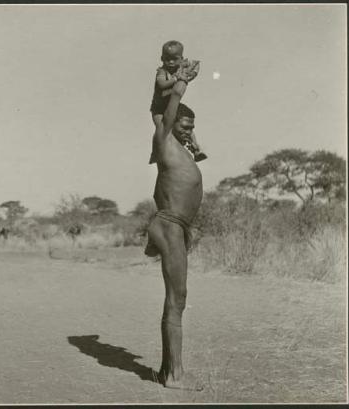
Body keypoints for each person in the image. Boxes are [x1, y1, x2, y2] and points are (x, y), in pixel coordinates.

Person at [145, 77, 204, 389]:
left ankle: (168, 369)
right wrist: (180, 81)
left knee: (174, 298)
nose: (187, 130)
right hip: (169, 225)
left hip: (175, 227)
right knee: (177, 298)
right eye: (183, 124)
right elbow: (162, 112)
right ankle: (174, 376)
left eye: (191, 127)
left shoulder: (181, 149)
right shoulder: (164, 138)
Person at [149, 40, 207, 164]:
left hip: (171, 104)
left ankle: (196, 148)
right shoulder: (162, 72)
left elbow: (189, 76)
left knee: (186, 122)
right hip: (158, 108)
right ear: (162, 58)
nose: (170, 62)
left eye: (174, 59)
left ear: (181, 58)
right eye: (167, 59)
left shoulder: (180, 69)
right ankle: (155, 152)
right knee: (160, 128)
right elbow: (162, 84)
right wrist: (176, 78)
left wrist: (192, 70)